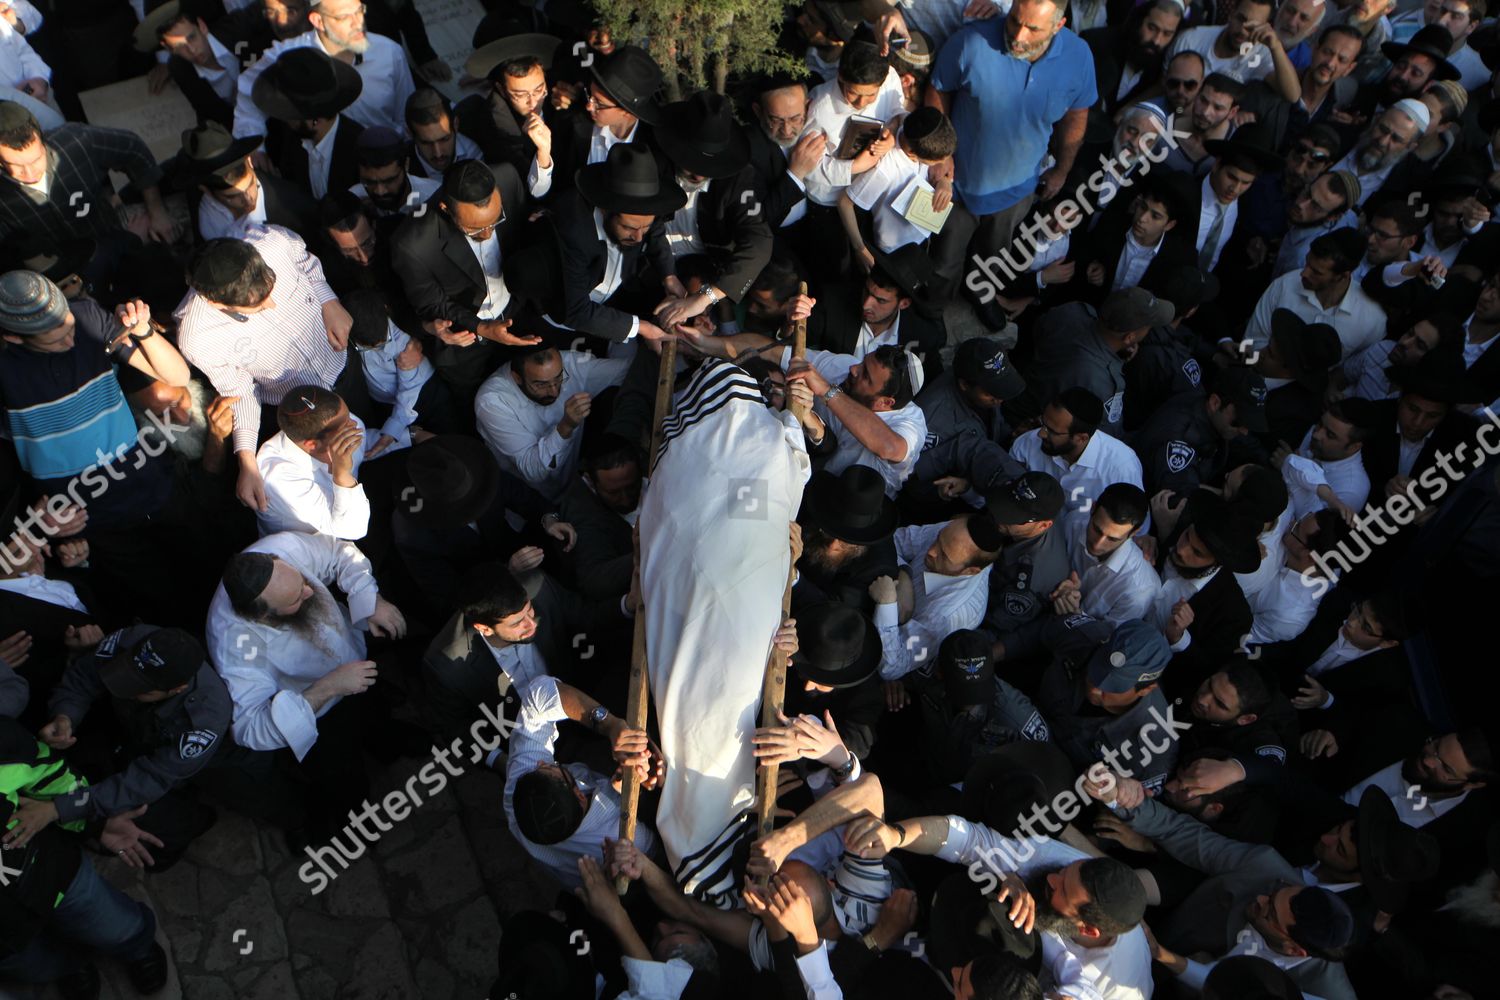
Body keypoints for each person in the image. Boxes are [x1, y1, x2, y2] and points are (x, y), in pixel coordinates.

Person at [174, 225, 359, 512]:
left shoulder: (273, 240)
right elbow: (242, 394)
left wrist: (329, 301)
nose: (272, 304)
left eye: (272, 290)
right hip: (308, 420)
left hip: (346, 366)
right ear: (216, 303)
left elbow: (306, 263)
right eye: (258, 306)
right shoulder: (198, 338)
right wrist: (246, 461)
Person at [927, 0, 1097, 302]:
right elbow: (939, 88)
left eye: (1033, 28)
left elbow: (1077, 115)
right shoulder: (972, 40)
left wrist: (1062, 170)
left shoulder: (1079, 57)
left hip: (1017, 192)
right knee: (942, 263)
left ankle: (983, 301)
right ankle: (932, 313)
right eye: (1015, 20)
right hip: (957, 185)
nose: (1018, 35)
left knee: (994, 258)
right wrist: (941, 154)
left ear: (1059, 25)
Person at [0, 718, 169, 997]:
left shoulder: (3, 743)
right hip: (7, 937)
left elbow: (50, 777)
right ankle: (69, 965)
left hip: (53, 873)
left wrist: (91, 822)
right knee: (38, 962)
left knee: (114, 925)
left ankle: (137, 945)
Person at [388, 158, 540, 400]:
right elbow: (433, 304)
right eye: (475, 229)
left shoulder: (508, 176)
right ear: (446, 209)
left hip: (519, 313)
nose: (488, 233)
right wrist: (482, 328)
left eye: (495, 221)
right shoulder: (412, 244)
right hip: (466, 344)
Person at [0, 104, 179, 289]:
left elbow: (133, 150)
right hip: (61, 286)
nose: (30, 173)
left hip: (116, 239)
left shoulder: (76, 141)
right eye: (15, 165)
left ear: (43, 140)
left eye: (36, 159)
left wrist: (157, 210)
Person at [550, 143, 685, 343]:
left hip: (615, 303)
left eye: (644, 228)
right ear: (605, 209)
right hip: (563, 324)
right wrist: (641, 328)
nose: (639, 238)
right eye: (629, 228)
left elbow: (655, 231)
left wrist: (669, 275)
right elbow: (576, 311)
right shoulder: (573, 230)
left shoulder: (644, 217)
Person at [231, 0, 415, 144]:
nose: (357, 22)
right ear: (318, 20)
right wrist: (255, 147)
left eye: (359, 11)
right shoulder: (289, 54)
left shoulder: (389, 52)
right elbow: (248, 91)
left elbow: (407, 116)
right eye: (343, 17)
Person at [475, 342, 628, 503]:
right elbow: (534, 471)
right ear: (517, 378)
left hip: (572, 487)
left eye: (559, 378)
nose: (554, 391)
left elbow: (630, 371)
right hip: (528, 502)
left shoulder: (572, 364)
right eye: (541, 385)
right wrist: (565, 426)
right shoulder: (492, 402)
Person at [255, 383, 407, 540]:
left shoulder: (341, 421)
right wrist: (341, 475)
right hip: (313, 545)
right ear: (312, 445)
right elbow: (354, 529)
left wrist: (412, 437)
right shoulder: (279, 478)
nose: (354, 425)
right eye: (346, 428)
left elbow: (364, 446)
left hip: (355, 506)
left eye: (349, 416)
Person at [869, 511, 1003, 683]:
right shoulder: (952, 535)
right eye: (938, 539)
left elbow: (893, 666)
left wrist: (886, 603)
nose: (931, 551)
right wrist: (904, 575)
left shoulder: (946, 618)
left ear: (971, 571)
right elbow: (893, 540)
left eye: (944, 556)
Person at [1024, 287, 1176, 437]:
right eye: (1148, 327)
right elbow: (1107, 436)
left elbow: (1038, 330)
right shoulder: (1102, 384)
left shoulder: (1073, 311)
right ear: (1129, 337)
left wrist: (1117, 354)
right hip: (1033, 432)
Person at [784, 343, 927, 498]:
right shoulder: (843, 368)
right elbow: (777, 354)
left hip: (844, 508)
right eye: (863, 362)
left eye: (865, 375)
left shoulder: (912, 423)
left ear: (886, 402)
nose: (853, 369)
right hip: (798, 472)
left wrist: (827, 391)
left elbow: (891, 447)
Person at [1246, 228, 1386, 360]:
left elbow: (1353, 370)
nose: (1304, 273)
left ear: (1342, 276)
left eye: (1316, 272)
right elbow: (1252, 342)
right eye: (1306, 264)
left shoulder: (1372, 319)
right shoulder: (1285, 284)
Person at [1133, 365, 1270, 496]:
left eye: (1250, 424)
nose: (1244, 431)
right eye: (1239, 421)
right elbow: (1178, 498)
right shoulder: (1179, 438)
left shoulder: (1215, 418)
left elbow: (1249, 446)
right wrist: (1227, 495)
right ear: (1215, 403)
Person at [252, 46, 366, 201]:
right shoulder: (284, 139)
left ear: (315, 121)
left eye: (291, 115)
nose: (285, 119)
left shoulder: (359, 149)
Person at [1010, 388, 1145, 515]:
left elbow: (1131, 529)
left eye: (1052, 431)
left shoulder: (1121, 468)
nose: (1041, 434)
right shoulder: (1027, 443)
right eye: (1043, 424)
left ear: (1081, 438)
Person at [177, 120, 317, 241]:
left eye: (250, 185)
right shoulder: (198, 201)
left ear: (249, 162)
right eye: (232, 197)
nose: (248, 199)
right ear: (205, 191)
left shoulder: (296, 208)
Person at [1055, 482, 1161, 627]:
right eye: (1096, 529)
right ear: (1092, 508)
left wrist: (1076, 615)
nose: (1098, 544)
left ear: (1134, 533)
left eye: (1112, 539)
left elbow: (1108, 641)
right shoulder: (1074, 522)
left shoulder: (1140, 590)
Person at [133, 0, 242, 128]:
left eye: (192, 37)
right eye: (179, 45)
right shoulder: (181, 69)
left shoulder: (238, 27)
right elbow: (212, 115)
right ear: (169, 48)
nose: (192, 50)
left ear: (202, 26)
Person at [1167, 0, 1302, 99]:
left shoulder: (1260, 55)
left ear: (1265, 27)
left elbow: (1292, 96)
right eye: (1241, 19)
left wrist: (1276, 46)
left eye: (1253, 26)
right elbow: (1165, 87)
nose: (1243, 30)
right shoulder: (1191, 39)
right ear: (1231, 15)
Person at [1082, 0, 1183, 117]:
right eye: (1152, 28)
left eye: (1167, 34)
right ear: (1139, 20)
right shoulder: (1095, 44)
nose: (1157, 40)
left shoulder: (1161, 70)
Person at [403, 87, 482, 179]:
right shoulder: (401, 170)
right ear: (410, 134)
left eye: (444, 139)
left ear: (456, 125)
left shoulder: (473, 153)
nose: (438, 153)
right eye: (426, 143)